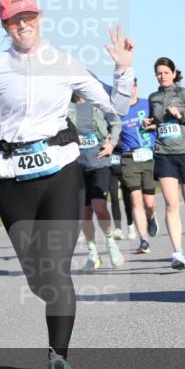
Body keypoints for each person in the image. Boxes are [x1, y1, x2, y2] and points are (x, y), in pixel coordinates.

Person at [0, 0, 134, 369]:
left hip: (60, 171)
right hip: (11, 178)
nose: (24, 25)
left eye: (29, 16)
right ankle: (55, 337)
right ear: (5, 26)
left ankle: (58, 359)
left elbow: (115, 107)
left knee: (56, 269)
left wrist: (122, 69)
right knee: (38, 279)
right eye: (15, 20)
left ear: (40, 18)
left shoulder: (65, 64)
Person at [146, 57, 185, 270]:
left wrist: (181, 115)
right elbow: (155, 121)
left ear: (173, 73)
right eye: (158, 73)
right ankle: (178, 253)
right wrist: (150, 124)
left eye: (165, 72)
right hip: (164, 154)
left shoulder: (183, 94)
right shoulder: (153, 97)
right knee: (171, 204)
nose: (162, 76)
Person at [69, 94, 124, 271]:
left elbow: (116, 123)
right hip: (77, 166)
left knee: (99, 206)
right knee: (84, 213)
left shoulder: (98, 104)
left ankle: (110, 243)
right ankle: (93, 253)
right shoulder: (63, 106)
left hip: (99, 163)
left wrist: (112, 144)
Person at [118, 78, 159, 254]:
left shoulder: (148, 104)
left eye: (132, 87)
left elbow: (160, 124)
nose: (130, 91)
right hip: (129, 157)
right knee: (135, 199)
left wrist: (153, 126)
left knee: (149, 203)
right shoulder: (118, 111)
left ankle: (151, 217)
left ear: (136, 87)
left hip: (149, 156)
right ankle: (144, 240)